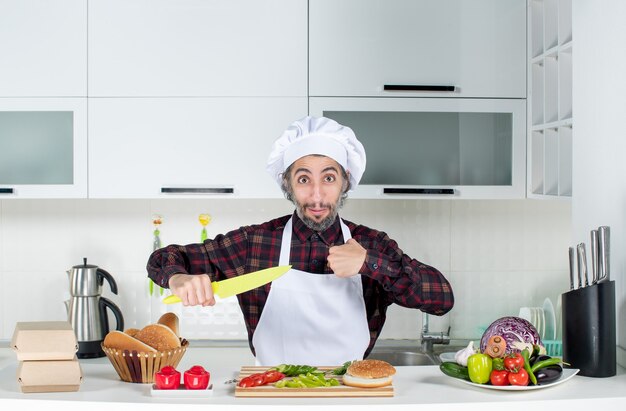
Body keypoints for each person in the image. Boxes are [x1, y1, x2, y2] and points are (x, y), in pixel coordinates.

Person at [147, 116, 454, 366]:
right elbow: (165, 258)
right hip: (272, 393)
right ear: (288, 183)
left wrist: (369, 263)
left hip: (349, 394)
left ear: (345, 180)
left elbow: (441, 298)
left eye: (329, 178)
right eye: (304, 179)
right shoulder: (254, 244)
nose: (317, 196)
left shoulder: (371, 244)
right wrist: (177, 277)